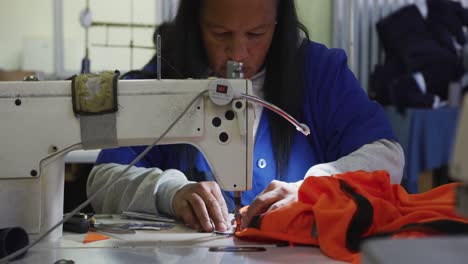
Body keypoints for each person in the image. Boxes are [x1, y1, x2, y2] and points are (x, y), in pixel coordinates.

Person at [87, 0, 404, 233]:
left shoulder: (319, 72)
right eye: (220, 33)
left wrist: (312, 187)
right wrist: (169, 192)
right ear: (196, 24)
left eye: (256, 33)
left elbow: (388, 158)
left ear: (279, 25)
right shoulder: (165, 78)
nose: (238, 53)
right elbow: (102, 181)